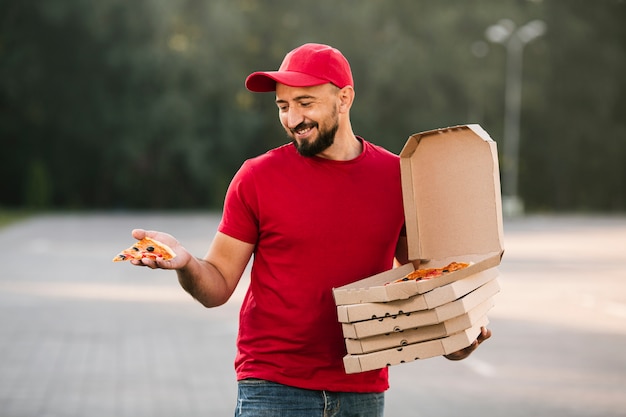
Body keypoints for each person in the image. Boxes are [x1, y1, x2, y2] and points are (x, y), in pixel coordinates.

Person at [130, 43, 491, 417]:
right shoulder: (257, 178)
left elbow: (424, 281)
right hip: (273, 389)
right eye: (283, 107)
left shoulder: (399, 177)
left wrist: (453, 336)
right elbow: (218, 285)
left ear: (344, 98)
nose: (292, 119)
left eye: (305, 103)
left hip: (362, 388)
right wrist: (187, 263)